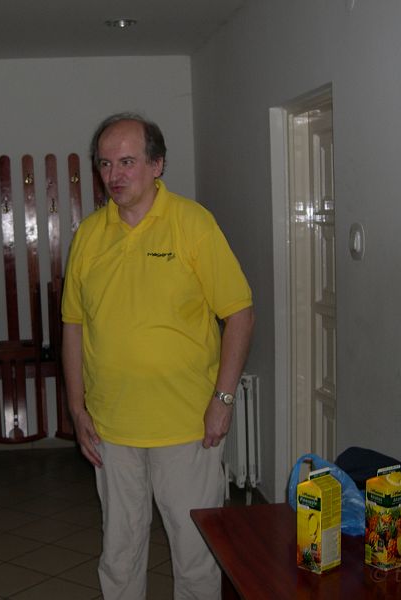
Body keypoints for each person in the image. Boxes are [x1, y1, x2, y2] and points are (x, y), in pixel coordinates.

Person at [62, 113, 255, 600]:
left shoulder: (193, 224)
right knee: (119, 556)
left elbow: (240, 314)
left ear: (157, 164)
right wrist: (77, 409)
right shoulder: (88, 236)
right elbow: (73, 326)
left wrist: (223, 400)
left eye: (127, 161)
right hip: (111, 430)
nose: (114, 175)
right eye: (105, 163)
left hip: (187, 427)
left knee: (196, 556)